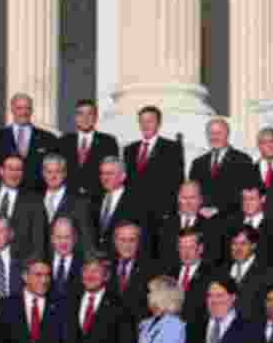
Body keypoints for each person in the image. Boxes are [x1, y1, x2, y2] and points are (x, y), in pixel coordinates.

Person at [123, 105, 186, 234]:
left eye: (150, 121)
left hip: (160, 216)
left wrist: (170, 213)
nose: (146, 125)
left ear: (158, 123)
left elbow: (177, 182)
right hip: (134, 215)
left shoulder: (172, 148)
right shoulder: (129, 149)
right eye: (142, 121)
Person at [0, 154, 46, 262]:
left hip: (21, 269)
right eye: (10, 169)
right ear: (0, 171)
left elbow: (39, 243)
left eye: (19, 169)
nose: (14, 174)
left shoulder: (34, 202)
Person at [189, 118, 258, 219]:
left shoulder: (243, 160)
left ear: (227, 134)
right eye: (211, 133)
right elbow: (193, 193)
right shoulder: (197, 163)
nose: (215, 136)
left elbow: (246, 195)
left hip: (231, 221)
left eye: (219, 133)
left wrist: (219, 209)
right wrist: (199, 208)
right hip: (202, 222)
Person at [0, 93, 59, 191]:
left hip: (38, 197)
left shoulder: (49, 139)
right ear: (12, 109)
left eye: (27, 108)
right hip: (7, 196)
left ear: (32, 110)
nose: (24, 112)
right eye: (19, 108)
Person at [59, 98, 120, 202]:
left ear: (96, 117)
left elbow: (112, 174)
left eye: (89, 114)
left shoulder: (108, 142)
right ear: (75, 118)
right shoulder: (63, 141)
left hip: (98, 200)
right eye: (80, 114)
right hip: (68, 201)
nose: (85, 118)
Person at [220, 226, 273, 321]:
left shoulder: (268, 272)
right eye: (234, 243)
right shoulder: (222, 270)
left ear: (253, 245)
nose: (238, 248)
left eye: (243, 244)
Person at [41, 154, 96, 257]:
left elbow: (86, 239)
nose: (53, 176)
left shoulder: (80, 202)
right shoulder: (35, 199)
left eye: (58, 172)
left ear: (65, 173)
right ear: (43, 173)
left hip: (68, 262)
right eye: (49, 172)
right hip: (40, 263)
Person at [157, 181, 219, 270]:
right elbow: (161, 257)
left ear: (200, 199)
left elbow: (212, 258)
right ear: (178, 198)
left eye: (192, 198)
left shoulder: (211, 227)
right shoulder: (164, 225)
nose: (188, 202)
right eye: (184, 197)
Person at [48, 218, 84, 301]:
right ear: (52, 239)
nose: (63, 242)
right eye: (59, 237)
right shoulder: (43, 261)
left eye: (67, 237)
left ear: (75, 238)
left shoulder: (84, 264)